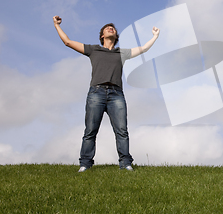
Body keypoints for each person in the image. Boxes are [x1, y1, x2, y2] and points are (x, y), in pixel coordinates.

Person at [53, 15, 160, 172]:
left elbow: (143, 49)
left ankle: (125, 164)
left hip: (116, 94)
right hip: (96, 93)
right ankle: (85, 164)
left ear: (115, 36)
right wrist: (57, 25)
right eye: (107, 28)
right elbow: (68, 42)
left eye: (113, 29)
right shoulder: (93, 50)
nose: (111, 29)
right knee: (90, 130)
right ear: (102, 35)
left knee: (122, 131)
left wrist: (155, 36)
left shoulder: (121, 53)